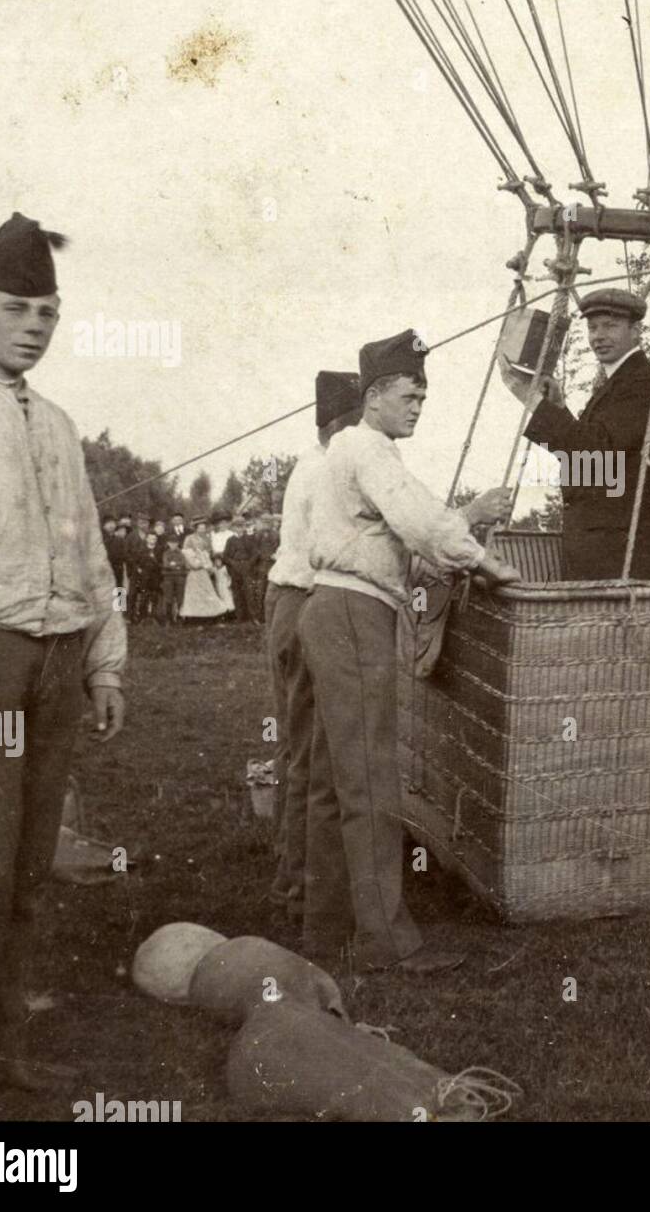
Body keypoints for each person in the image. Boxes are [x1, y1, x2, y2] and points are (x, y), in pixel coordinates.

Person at [0, 212, 126, 1114]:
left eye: (48, 311)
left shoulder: (59, 424)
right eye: (17, 308)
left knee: (25, 873)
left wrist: (105, 666)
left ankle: (2, 1052)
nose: (35, 326)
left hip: (56, 666)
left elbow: (90, 559)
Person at [299, 329, 519, 974]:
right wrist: (484, 563)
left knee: (329, 779)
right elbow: (419, 521)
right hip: (354, 612)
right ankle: (386, 940)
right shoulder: (371, 451)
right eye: (409, 395)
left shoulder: (347, 450)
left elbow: (406, 524)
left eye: (423, 396)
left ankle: (326, 926)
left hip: (328, 609)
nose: (418, 407)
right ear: (373, 397)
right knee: (370, 778)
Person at [265, 370, 363, 922]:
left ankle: (289, 873)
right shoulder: (330, 468)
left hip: (285, 603)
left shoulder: (310, 463)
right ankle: (299, 886)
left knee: (294, 748)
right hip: (305, 606)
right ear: (344, 424)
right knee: (310, 755)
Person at [502, 287, 650, 579]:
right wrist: (559, 408)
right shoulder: (620, 380)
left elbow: (595, 456)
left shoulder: (641, 381)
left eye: (610, 326)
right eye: (592, 327)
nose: (598, 336)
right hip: (601, 545)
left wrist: (531, 399)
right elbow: (596, 449)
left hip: (616, 551)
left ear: (636, 331)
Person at [179, 519, 224, 621]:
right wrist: (195, 561)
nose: (202, 530)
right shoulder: (189, 538)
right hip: (194, 568)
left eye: (204, 528)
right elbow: (186, 553)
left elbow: (210, 552)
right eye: (200, 528)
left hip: (205, 569)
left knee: (206, 592)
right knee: (194, 593)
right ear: (195, 528)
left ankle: (207, 616)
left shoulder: (207, 539)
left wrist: (208, 562)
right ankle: (193, 617)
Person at [223, 517, 258, 622]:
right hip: (235, 569)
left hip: (246, 568)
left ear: (244, 527)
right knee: (237, 593)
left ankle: (253, 617)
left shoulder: (249, 539)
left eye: (241, 526)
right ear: (233, 528)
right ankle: (239, 617)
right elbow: (225, 556)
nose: (239, 529)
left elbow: (256, 553)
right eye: (237, 526)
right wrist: (233, 563)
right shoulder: (230, 540)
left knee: (249, 593)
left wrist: (249, 564)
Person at [159, 535, 186, 624]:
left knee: (180, 597)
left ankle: (179, 617)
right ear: (168, 544)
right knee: (168, 597)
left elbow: (183, 563)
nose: (173, 545)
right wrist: (176, 566)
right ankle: (168, 618)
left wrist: (173, 564)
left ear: (178, 544)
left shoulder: (181, 553)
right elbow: (166, 564)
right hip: (168, 577)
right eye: (171, 543)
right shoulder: (166, 553)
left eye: (175, 543)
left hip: (179, 577)